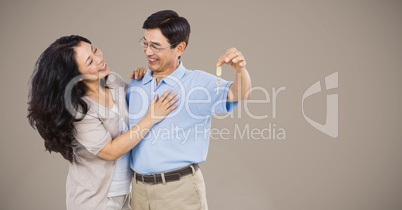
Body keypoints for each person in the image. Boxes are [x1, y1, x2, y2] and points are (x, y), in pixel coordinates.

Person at [27, 35, 178, 210]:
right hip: (96, 201)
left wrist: (142, 79)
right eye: (90, 62)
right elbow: (110, 151)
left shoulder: (114, 81)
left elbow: (140, 108)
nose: (99, 59)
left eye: (95, 50)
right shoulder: (79, 109)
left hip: (128, 194)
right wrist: (151, 119)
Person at [127, 10, 252, 210]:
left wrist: (240, 70)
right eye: (145, 43)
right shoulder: (137, 83)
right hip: (138, 192)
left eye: (156, 46)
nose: (148, 52)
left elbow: (240, 94)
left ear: (179, 48)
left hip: (178, 192)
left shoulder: (198, 83)